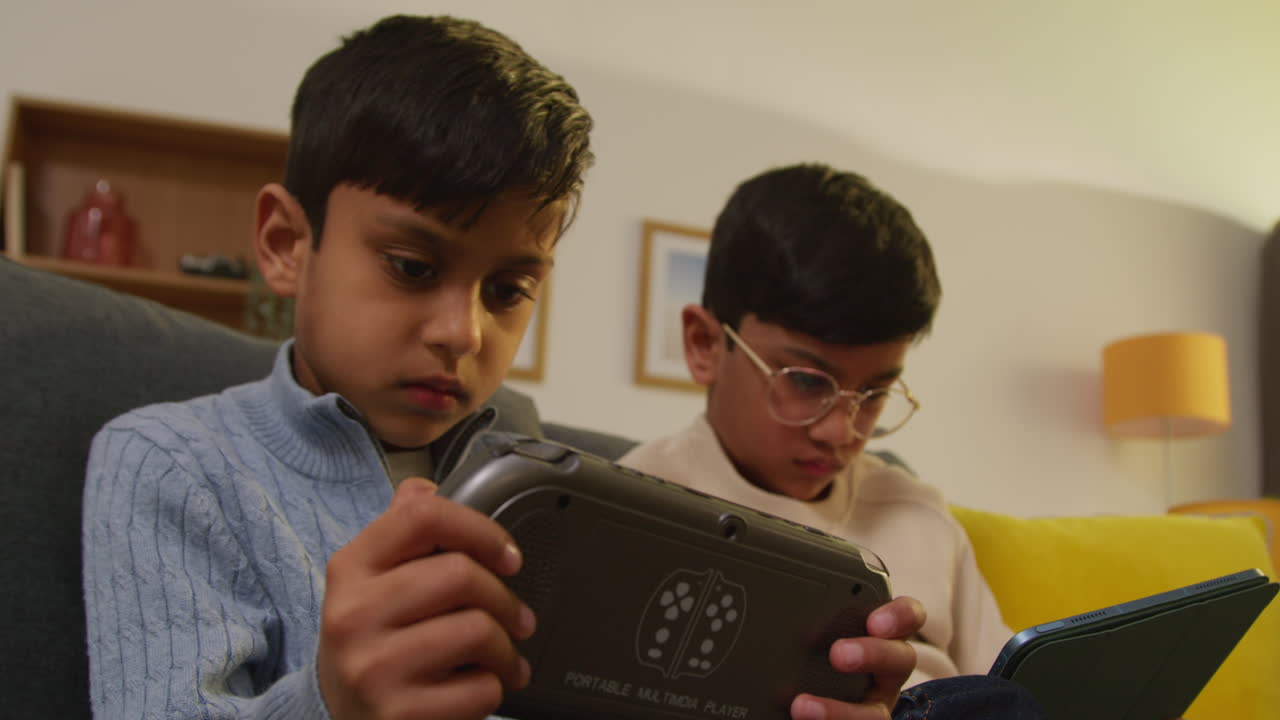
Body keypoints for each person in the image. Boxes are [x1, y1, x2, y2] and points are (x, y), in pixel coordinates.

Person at [81, 17, 927, 720]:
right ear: (285, 244)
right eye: (412, 266)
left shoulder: (531, 463)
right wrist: (329, 702)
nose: (463, 331)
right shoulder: (170, 462)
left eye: (511, 287)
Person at [619, 163, 1043, 715]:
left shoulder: (920, 512)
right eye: (804, 381)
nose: (841, 432)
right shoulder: (628, 511)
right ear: (703, 344)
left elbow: (1014, 693)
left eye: (874, 392)